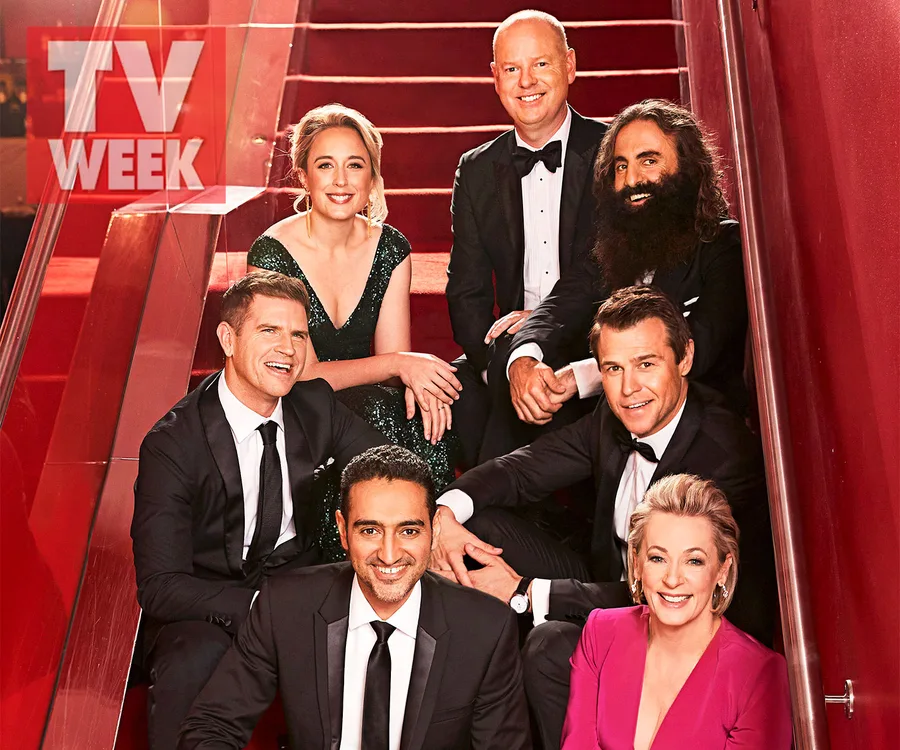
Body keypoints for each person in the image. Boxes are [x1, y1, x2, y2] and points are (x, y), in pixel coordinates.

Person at [433, 286, 776, 749]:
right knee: (475, 529)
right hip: (603, 576)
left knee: (549, 643)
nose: (629, 388)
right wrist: (443, 513)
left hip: (670, 614)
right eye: (613, 368)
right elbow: (523, 467)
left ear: (685, 357)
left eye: (646, 364)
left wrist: (525, 594)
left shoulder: (722, 453)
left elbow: (676, 590)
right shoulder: (612, 418)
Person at [131, 271, 387, 750]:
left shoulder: (315, 405)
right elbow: (161, 587)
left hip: (302, 583)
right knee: (191, 664)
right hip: (209, 601)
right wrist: (261, 608)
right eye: (269, 331)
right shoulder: (172, 444)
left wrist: (440, 515)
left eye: (298, 334)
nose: (288, 350)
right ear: (228, 338)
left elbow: (388, 472)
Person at [178, 445, 531, 750]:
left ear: (435, 529)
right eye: (370, 530)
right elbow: (212, 726)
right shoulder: (285, 605)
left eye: (408, 530)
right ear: (342, 531)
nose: (389, 554)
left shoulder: (485, 629)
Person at [248, 104, 460, 554]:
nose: (341, 181)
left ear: (372, 178)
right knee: (377, 412)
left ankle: (433, 543)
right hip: (296, 406)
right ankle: (347, 554)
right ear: (303, 175)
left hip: (365, 399)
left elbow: (391, 365)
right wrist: (401, 364)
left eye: (355, 166)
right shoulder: (271, 254)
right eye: (326, 165)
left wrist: (414, 378)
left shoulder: (390, 247)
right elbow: (294, 375)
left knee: (421, 407)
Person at [506, 99, 750, 434]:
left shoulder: (722, 244)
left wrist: (581, 377)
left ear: (688, 168)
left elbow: (696, 350)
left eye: (648, 161)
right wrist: (524, 358)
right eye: (621, 166)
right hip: (609, 426)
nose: (631, 179)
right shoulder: (614, 246)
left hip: (695, 429)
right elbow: (558, 306)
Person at [446, 10, 608, 465]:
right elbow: (467, 293)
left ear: (570, 66)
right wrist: (501, 361)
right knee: (438, 405)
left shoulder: (615, 151)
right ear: (495, 78)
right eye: (512, 69)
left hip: (596, 339)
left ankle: (482, 510)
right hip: (509, 345)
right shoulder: (476, 170)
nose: (526, 81)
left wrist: (537, 333)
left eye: (541, 64)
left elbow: (611, 276)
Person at [562, 474, 792, 749]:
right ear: (637, 562)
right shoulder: (600, 633)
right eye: (658, 558)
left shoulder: (759, 675)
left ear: (722, 569)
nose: (672, 579)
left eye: (694, 561)